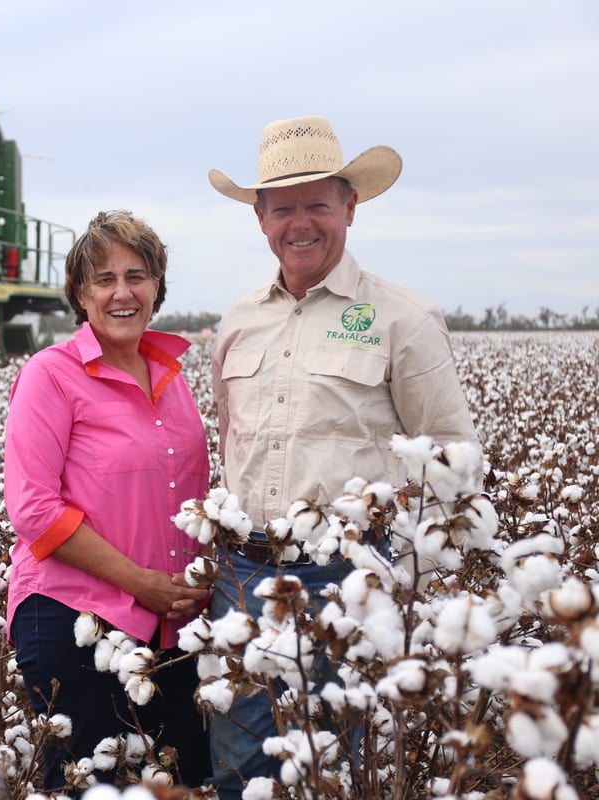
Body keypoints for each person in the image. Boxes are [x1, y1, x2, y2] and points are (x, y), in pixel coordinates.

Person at [206, 116, 480, 798]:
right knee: (240, 761)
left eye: (318, 205)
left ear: (350, 208)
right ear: (261, 220)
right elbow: (231, 442)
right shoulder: (238, 320)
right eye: (284, 208)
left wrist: (417, 574)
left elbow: (451, 457)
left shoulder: (402, 318)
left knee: (342, 761)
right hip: (242, 570)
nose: (301, 224)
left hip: (348, 574)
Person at [4, 210, 213, 793]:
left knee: (182, 780)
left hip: (171, 627)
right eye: (104, 279)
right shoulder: (51, 375)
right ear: (80, 294)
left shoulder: (172, 376)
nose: (122, 292)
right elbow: (34, 509)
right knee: (92, 786)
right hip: (74, 618)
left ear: (157, 288)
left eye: (136, 275)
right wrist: (139, 581)